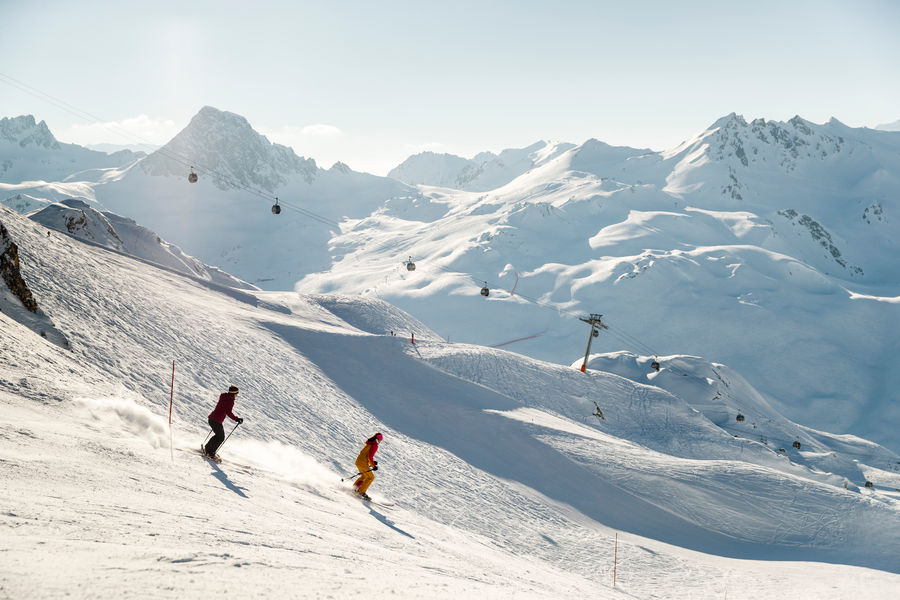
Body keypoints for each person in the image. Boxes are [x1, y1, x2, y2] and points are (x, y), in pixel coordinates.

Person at [204, 385, 243, 460]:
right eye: (236, 394)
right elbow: (228, 412)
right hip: (216, 420)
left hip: (212, 419)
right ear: (233, 393)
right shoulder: (230, 401)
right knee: (221, 437)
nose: (236, 396)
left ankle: (208, 448)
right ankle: (211, 452)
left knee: (218, 435)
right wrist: (236, 419)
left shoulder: (224, 396)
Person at [353, 433, 382, 500]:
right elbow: (370, 456)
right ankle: (361, 491)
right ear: (379, 439)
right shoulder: (375, 445)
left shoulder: (369, 442)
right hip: (363, 463)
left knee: (364, 476)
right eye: (381, 439)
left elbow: (365, 454)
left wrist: (372, 462)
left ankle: (354, 488)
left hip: (358, 461)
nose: (381, 441)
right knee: (371, 477)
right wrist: (373, 466)